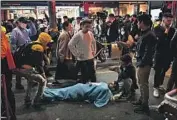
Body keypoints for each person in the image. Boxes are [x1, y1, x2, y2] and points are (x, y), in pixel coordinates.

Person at [14, 32, 52, 108]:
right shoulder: (38, 47)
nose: (48, 45)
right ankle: (37, 101)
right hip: (25, 69)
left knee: (31, 81)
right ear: (44, 41)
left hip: (17, 68)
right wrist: (43, 74)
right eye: (48, 42)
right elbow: (39, 64)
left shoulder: (32, 43)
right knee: (42, 81)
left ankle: (27, 100)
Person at [132, 14, 157, 114]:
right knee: (140, 83)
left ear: (142, 22)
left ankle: (145, 105)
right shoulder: (144, 33)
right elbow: (141, 48)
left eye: (138, 22)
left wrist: (141, 63)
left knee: (143, 84)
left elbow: (148, 52)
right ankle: (141, 100)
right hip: (140, 62)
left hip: (144, 64)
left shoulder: (150, 35)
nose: (137, 23)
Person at [153, 13, 176, 98]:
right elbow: (158, 41)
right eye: (168, 20)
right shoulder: (157, 28)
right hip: (159, 53)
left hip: (168, 54)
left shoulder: (173, 30)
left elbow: (172, 42)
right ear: (163, 19)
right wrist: (165, 33)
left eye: (171, 21)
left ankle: (159, 84)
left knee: (164, 69)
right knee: (158, 70)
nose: (169, 22)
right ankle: (155, 87)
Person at [11, 17, 37, 90]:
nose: (24, 24)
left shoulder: (25, 30)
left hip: (26, 51)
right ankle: (18, 83)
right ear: (19, 22)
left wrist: (31, 23)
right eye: (23, 22)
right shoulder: (15, 31)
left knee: (28, 66)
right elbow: (13, 43)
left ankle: (31, 81)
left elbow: (34, 32)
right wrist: (15, 53)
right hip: (19, 51)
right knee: (19, 68)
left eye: (25, 23)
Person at [68, 19, 97, 83]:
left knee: (93, 76)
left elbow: (93, 42)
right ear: (82, 26)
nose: (88, 28)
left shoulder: (90, 33)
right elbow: (70, 44)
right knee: (84, 77)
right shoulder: (78, 35)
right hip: (82, 59)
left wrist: (94, 50)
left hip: (90, 58)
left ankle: (94, 89)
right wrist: (77, 54)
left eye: (89, 27)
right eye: (86, 26)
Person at [1, 27, 16, 120]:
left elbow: (2, 51)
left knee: (6, 92)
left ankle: (10, 114)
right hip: (5, 65)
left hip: (4, 66)